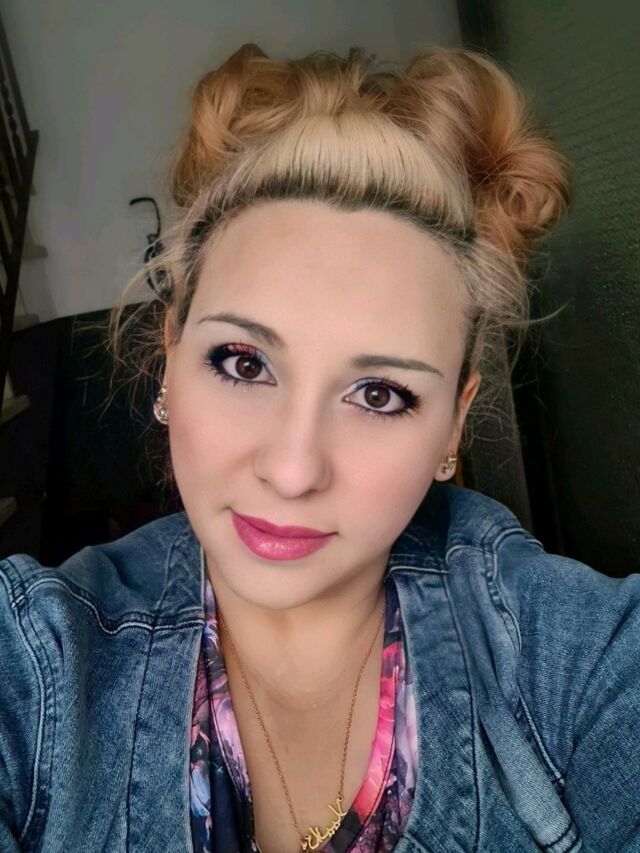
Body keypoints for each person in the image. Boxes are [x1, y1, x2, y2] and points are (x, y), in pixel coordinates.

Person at [1, 43, 638, 853]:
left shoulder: (574, 659)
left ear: (452, 423)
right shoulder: (38, 660)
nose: (293, 469)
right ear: (171, 355)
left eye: (379, 394)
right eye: (244, 363)